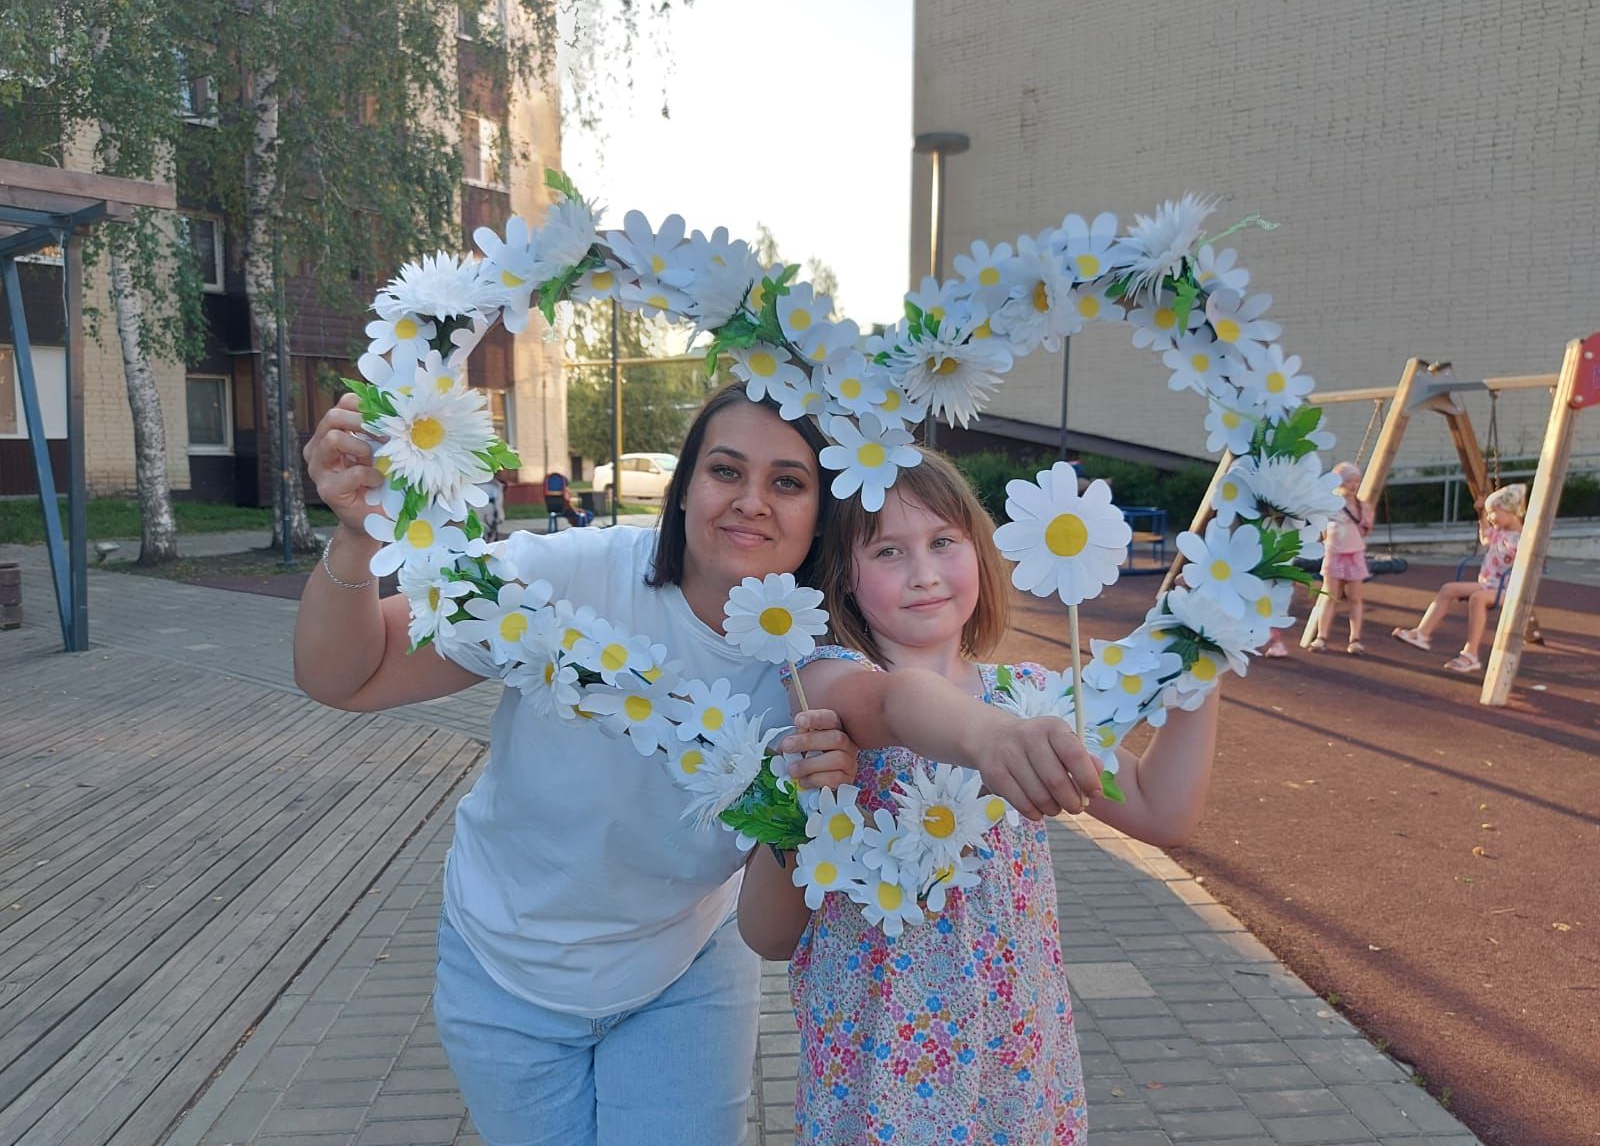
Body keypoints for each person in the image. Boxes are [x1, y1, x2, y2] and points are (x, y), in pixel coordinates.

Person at [294, 381, 869, 1146]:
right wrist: (359, 542)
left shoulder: (817, 667)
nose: (752, 501)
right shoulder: (569, 575)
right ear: (685, 486)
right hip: (505, 964)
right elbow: (347, 677)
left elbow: (782, 913)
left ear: (823, 511)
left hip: (683, 968)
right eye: (726, 471)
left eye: (788, 482)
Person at [736, 449, 1220, 1145]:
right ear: (843, 576)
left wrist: (1204, 663)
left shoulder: (1026, 696)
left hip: (1014, 1059)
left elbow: (1157, 807)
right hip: (879, 1064)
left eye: (943, 542)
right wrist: (987, 738)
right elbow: (898, 706)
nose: (925, 574)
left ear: (979, 550)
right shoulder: (825, 684)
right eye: (888, 552)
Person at [1392, 482, 1527, 675]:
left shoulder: (1523, 538)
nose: (1490, 517)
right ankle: (1421, 634)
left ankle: (1470, 654)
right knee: (1448, 589)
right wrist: (1481, 513)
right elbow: (1485, 538)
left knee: (1477, 599)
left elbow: (1527, 565)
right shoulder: (1500, 532)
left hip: (1508, 590)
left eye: (1493, 512)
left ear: (1509, 511)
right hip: (1487, 584)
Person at [1306, 461, 1375, 654]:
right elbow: (1320, 528)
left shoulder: (1363, 507)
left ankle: (1355, 639)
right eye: (1349, 481)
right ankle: (1321, 637)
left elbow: (1366, 529)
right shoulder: (1330, 505)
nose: (1353, 485)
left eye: (1356, 481)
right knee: (1329, 595)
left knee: (1355, 597)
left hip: (1354, 554)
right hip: (1334, 553)